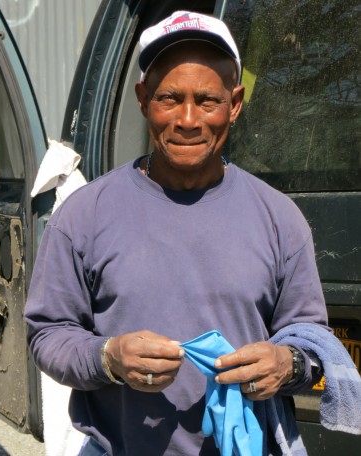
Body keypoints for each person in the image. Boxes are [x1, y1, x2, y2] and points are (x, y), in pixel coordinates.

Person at [25, 10, 331, 456]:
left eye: (207, 101)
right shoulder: (84, 216)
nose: (188, 119)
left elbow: (312, 342)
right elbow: (47, 334)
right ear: (143, 98)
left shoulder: (279, 218)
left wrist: (288, 363)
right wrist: (107, 357)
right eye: (169, 98)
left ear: (236, 103)